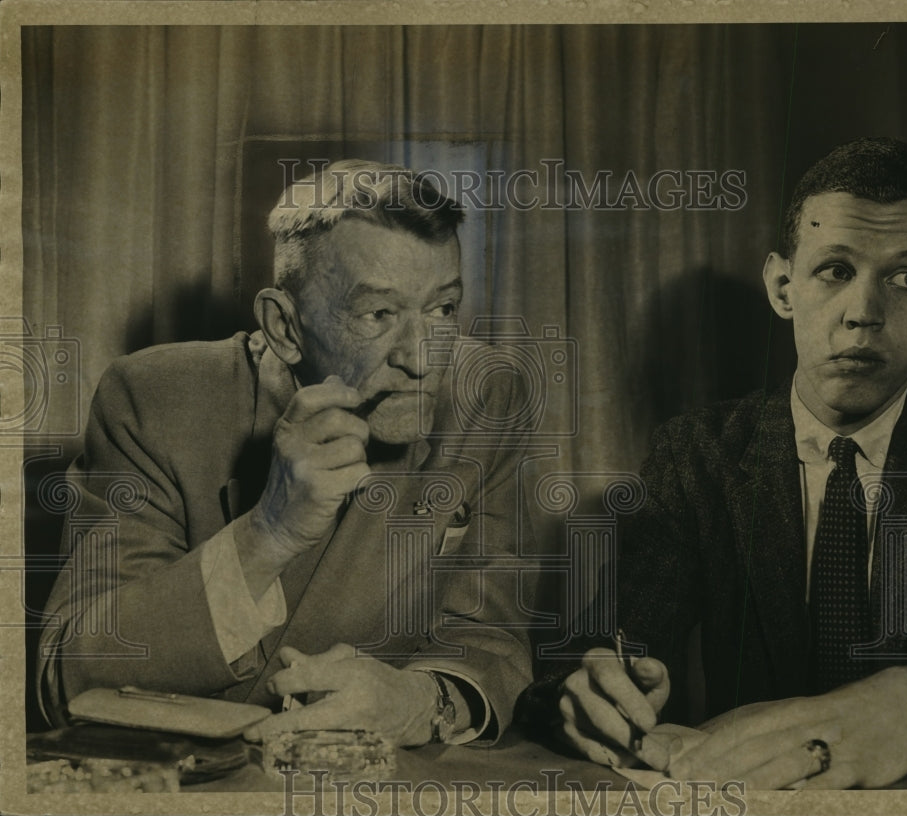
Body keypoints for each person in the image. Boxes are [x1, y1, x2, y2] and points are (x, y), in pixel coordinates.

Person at [38, 159, 536, 748]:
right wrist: (269, 534)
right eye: (379, 314)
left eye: (442, 309)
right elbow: (66, 679)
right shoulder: (152, 399)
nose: (424, 358)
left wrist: (423, 700)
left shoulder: (488, 396)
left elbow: (490, 639)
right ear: (285, 326)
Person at [532, 137, 907, 788]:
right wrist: (589, 687)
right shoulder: (700, 454)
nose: (863, 314)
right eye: (834, 270)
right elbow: (604, 643)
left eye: (906, 277)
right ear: (782, 285)